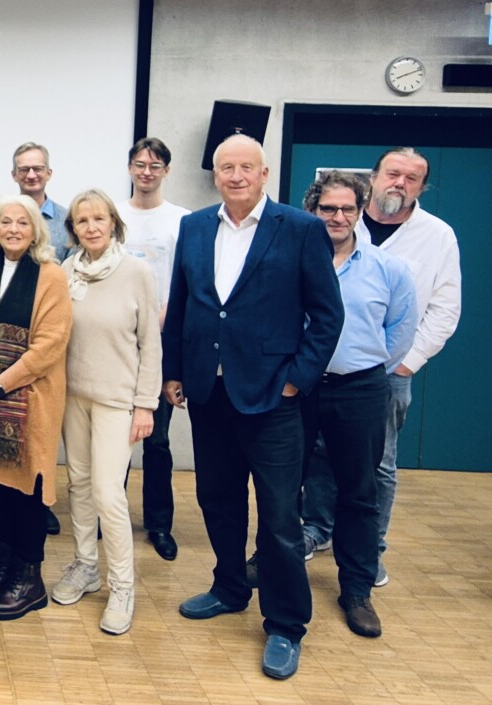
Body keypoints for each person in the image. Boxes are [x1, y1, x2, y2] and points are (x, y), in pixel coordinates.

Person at [164, 135, 343, 680]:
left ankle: (286, 623)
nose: (236, 175)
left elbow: (327, 315)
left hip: (272, 398)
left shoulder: (301, 228)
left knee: (280, 517)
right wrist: (174, 371)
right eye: (226, 167)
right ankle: (229, 587)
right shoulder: (195, 226)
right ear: (215, 174)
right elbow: (182, 306)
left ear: (265, 174)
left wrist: (296, 381)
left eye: (246, 166)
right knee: (217, 499)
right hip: (208, 392)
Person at [296, 170, 416, 637]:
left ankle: (357, 589)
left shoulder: (388, 269)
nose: (338, 216)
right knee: (283, 481)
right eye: (328, 208)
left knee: (359, 491)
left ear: (360, 211)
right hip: (299, 388)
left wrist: (365, 365)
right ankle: (271, 559)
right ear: (312, 211)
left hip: (360, 388)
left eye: (348, 208)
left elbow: (400, 331)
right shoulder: (293, 264)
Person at [0, 194, 73, 622]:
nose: (13, 229)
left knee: (26, 489)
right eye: (5, 221)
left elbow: (48, 347)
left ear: (36, 230)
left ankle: (29, 578)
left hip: (30, 400)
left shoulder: (51, 276)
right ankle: (4, 567)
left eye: (22, 222)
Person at [349, 148, 461, 588]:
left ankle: (370, 549)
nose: (400, 183)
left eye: (412, 178)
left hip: (389, 375)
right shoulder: (340, 219)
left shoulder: (437, 236)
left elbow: (445, 310)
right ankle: (316, 531)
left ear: (422, 187)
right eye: (393, 173)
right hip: (331, 368)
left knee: (379, 465)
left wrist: (406, 365)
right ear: (373, 177)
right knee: (319, 457)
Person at [54, 189, 160, 635]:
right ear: (73, 229)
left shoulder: (137, 272)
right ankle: (86, 565)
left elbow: (150, 343)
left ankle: (122, 587)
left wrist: (146, 404)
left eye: (99, 218)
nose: (92, 227)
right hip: (73, 396)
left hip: (118, 400)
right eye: (83, 221)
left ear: (113, 222)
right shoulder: (66, 271)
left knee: (108, 492)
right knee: (77, 484)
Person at [116, 137, 190, 561]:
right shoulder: (115, 216)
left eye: (155, 165)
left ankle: (159, 524)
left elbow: (188, 280)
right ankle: (112, 516)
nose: (147, 172)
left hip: (160, 343)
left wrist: (166, 317)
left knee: (157, 441)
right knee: (116, 439)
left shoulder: (181, 220)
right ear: (130, 168)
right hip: (117, 344)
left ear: (166, 171)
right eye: (140, 164)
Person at [11, 142, 68, 260]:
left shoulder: (67, 221)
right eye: (24, 169)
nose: (31, 175)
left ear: (48, 174)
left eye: (38, 169)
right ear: (14, 175)